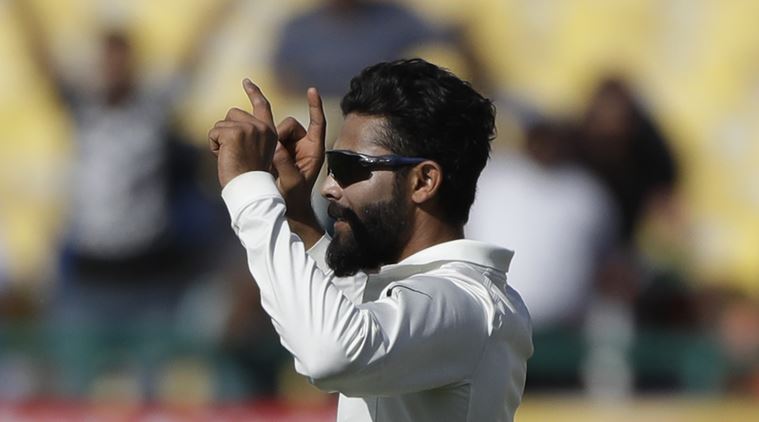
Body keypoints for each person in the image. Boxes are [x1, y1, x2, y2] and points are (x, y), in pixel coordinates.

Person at [208, 59, 532, 421]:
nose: (328, 187)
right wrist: (297, 214)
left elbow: (332, 352)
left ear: (423, 181)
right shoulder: (432, 297)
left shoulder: (469, 304)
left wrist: (249, 190)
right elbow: (351, 318)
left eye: (350, 167)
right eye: (332, 166)